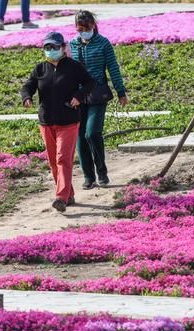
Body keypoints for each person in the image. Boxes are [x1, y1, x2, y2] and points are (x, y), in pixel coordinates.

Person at [21, 31, 95, 213]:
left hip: (68, 121)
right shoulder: (40, 69)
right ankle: (68, 194)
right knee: (54, 161)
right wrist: (26, 97)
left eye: (54, 47)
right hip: (46, 122)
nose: (50, 50)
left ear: (63, 48)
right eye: (47, 47)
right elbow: (27, 86)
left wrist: (79, 96)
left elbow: (89, 83)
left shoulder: (73, 66)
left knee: (63, 158)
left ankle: (60, 197)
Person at [69, 10, 128, 190]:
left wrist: (121, 91)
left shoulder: (103, 44)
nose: (83, 31)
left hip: (97, 95)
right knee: (80, 136)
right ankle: (88, 176)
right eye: (80, 29)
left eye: (86, 28)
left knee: (92, 133)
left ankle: (102, 172)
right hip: (78, 98)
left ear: (93, 25)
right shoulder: (72, 44)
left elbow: (113, 68)